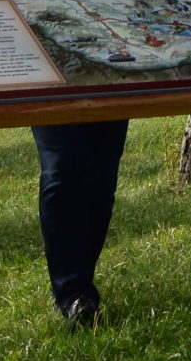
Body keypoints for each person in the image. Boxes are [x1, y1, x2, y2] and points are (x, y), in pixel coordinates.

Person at [31, 120, 130, 327]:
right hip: (51, 93)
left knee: (101, 178)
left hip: (107, 90)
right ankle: (71, 294)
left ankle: (80, 287)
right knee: (62, 167)